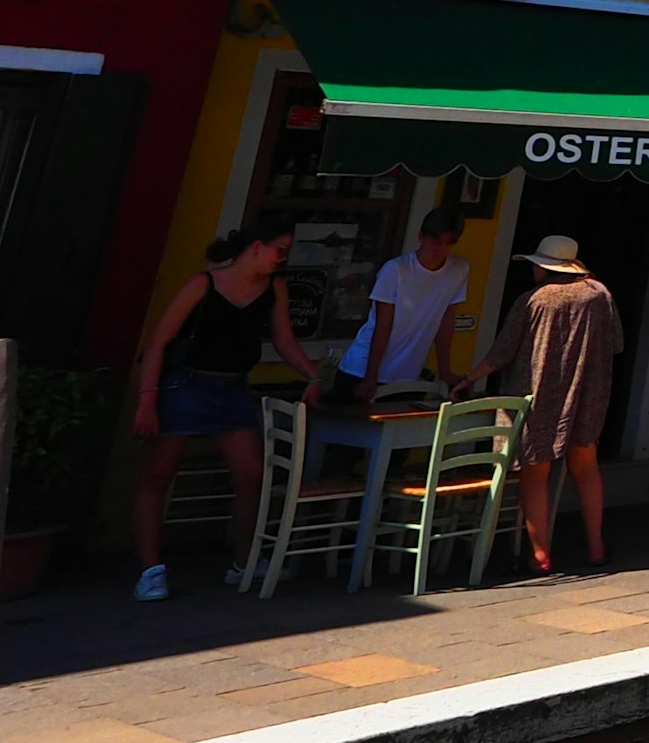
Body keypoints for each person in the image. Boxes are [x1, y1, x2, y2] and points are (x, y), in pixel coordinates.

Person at [128, 221, 331, 600]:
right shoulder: (202, 285)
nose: (282, 258)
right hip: (185, 384)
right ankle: (150, 570)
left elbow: (283, 338)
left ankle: (244, 561)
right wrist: (147, 401)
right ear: (256, 246)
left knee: (251, 475)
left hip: (233, 385)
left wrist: (311, 375)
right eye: (279, 249)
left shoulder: (274, 289)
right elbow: (158, 343)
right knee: (157, 475)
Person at [474, 233, 625, 577]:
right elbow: (616, 343)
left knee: (534, 475)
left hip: (539, 397)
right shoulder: (600, 295)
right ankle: (596, 546)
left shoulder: (534, 300)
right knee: (586, 469)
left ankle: (540, 554)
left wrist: (470, 377)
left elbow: (502, 353)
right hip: (588, 395)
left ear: (543, 268)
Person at [338, 212, 472, 396]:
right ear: (421, 237)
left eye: (448, 244)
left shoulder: (459, 269)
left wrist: (445, 370)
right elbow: (382, 325)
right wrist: (371, 376)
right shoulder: (396, 269)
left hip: (408, 374)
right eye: (436, 242)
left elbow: (446, 322)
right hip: (361, 369)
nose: (440, 250)